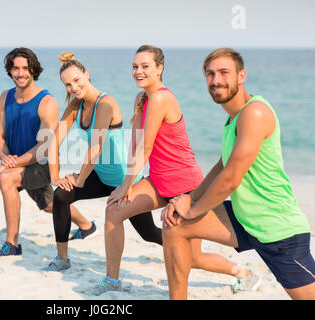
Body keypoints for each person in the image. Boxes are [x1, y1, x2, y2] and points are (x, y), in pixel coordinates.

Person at [91, 45, 253, 296]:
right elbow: (135, 143)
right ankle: (112, 280)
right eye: (135, 66)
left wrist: (125, 186)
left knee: (192, 258)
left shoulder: (161, 98)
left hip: (187, 186)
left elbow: (145, 149)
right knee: (113, 211)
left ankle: (243, 273)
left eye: (145, 66)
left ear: (159, 69)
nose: (138, 71)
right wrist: (128, 182)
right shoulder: (141, 99)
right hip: (157, 182)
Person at [162, 48, 315, 300]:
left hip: (278, 231)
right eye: (210, 74)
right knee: (175, 225)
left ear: (241, 76)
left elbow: (231, 179)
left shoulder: (254, 113)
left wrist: (194, 209)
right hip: (245, 219)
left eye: (224, 72)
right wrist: (189, 198)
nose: (216, 80)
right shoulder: (233, 118)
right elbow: (223, 165)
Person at [42, 52, 163, 272]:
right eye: (68, 85)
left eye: (77, 80)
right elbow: (53, 142)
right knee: (61, 195)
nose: (74, 88)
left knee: (149, 234)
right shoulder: (75, 107)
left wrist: (79, 180)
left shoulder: (106, 104)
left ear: (87, 75)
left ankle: (181, 244)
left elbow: (95, 149)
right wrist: (55, 177)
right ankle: (62, 259)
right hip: (100, 176)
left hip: (125, 180)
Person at [0, 47, 61, 257]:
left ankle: (12, 244)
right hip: (18, 163)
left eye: (25, 68)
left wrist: (6, 165)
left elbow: (44, 149)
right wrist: (5, 157)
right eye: (15, 68)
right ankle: (86, 226)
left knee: (6, 178)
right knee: (49, 205)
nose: (20, 73)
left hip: (42, 165)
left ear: (34, 70)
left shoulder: (47, 102)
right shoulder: (5, 97)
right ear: (10, 71)